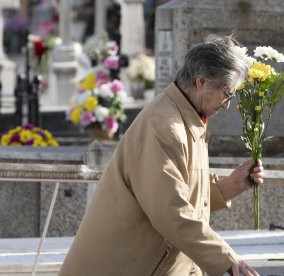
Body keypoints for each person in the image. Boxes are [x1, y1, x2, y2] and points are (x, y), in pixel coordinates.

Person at [59, 35, 264, 276]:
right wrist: (226, 259)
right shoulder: (165, 125)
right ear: (201, 82)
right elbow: (170, 210)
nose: (227, 104)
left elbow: (178, 191)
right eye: (227, 93)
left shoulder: (187, 118)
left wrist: (230, 187)